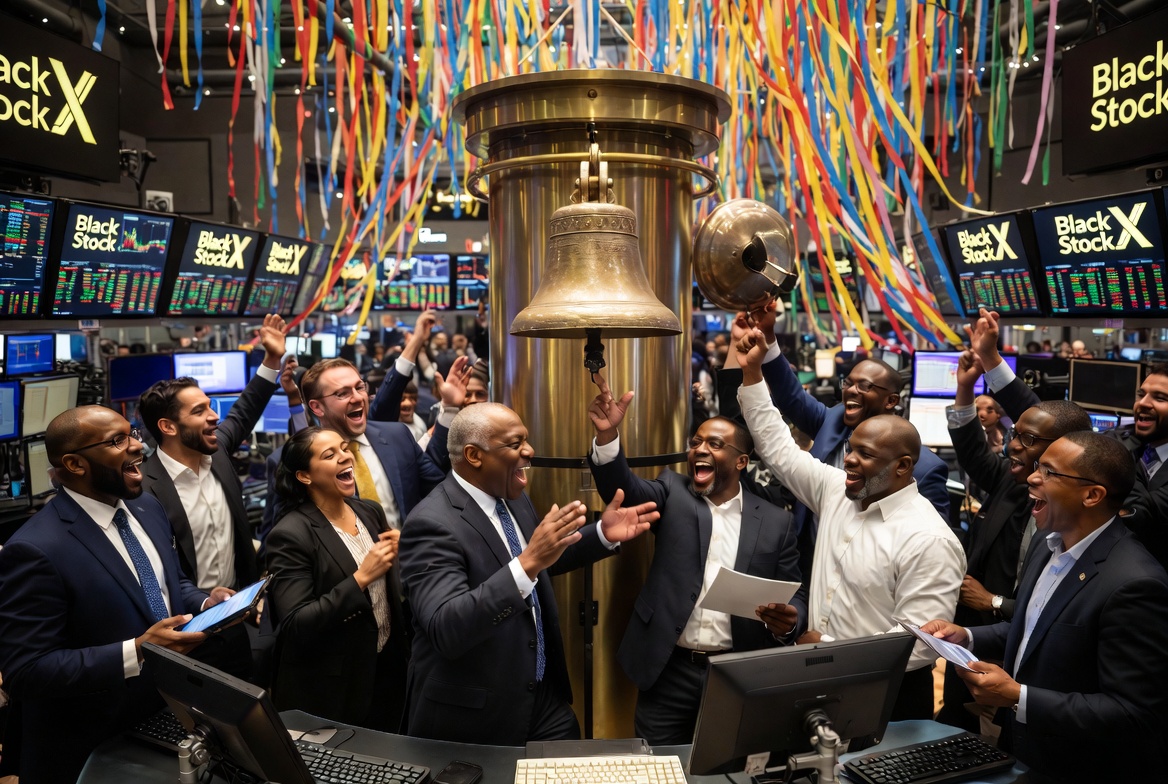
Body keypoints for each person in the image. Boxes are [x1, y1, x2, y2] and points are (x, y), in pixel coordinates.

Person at [735, 327, 965, 720]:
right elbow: (778, 449)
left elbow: (920, 644)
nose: (851, 461)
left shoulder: (929, 539)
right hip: (819, 681)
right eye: (852, 450)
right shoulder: (837, 491)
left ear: (903, 467)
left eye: (866, 454)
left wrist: (825, 650)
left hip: (888, 696)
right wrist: (753, 374)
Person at [398, 403, 660, 745]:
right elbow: (446, 627)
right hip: (475, 713)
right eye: (515, 443)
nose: (530, 450)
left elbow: (541, 560)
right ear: (474, 455)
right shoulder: (431, 524)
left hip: (541, 698)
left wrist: (601, 535)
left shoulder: (512, 497)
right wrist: (527, 563)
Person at [0, 407, 234, 783]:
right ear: (75, 464)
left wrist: (206, 602)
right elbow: (26, 672)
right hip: (92, 746)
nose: (138, 445)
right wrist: (138, 650)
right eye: (117, 441)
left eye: (132, 433)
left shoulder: (145, 506)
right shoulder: (34, 549)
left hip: (163, 718)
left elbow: (168, 583)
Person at [922, 432, 1168, 782]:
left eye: (1050, 472)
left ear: (1092, 495)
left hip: (1079, 768)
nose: (1033, 477)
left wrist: (1018, 696)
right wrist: (967, 637)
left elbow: (1133, 712)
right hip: (1023, 755)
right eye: (1039, 467)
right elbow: (1034, 629)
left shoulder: (1135, 584)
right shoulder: (1046, 543)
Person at [586, 374, 806, 744]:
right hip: (668, 670)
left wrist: (791, 620)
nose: (700, 449)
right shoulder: (673, 492)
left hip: (735, 675)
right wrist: (608, 438)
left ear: (741, 462)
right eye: (696, 442)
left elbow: (794, 592)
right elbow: (622, 490)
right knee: (659, 768)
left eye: (715, 444)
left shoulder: (776, 522)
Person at [723, 302, 950, 581]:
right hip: (810, 562)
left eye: (865, 386)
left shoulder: (925, 467)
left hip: (869, 577)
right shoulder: (834, 421)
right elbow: (789, 400)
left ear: (891, 401)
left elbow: (929, 548)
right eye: (849, 382)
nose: (852, 390)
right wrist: (768, 336)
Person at [939, 350, 1091, 733]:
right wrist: (964, 388)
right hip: (980, 645)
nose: (1011, 447)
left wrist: (993, 601)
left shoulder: (1080, 523)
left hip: (1036, 681)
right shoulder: (1013, 481)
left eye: (1027, 439)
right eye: (1013, 435)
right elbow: (974, 454)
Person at [969, 308, 1168, 570]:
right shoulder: (1123, 439)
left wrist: (1120, 451)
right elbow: (1046, 421)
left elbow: (1143, 513)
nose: (1142, 404)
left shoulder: (1124, 444)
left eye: (1160, 398)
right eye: (1141, 394)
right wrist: (990, 358)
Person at [265, 428, 410, 731]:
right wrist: (360, 578)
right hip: (334, 686)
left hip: (387, 672)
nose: (345, 456)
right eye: (329, 454)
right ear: (305, 476)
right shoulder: (290, 535)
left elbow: (391, 590)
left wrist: (405, 554)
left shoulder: (369, 511)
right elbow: (295, 623)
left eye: (344, 449)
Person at [139, 313, 288, 594]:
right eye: (199, 411)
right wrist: (203, 602)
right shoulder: (144, 489)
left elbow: (245, 410)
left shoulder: (216, 453)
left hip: (241, 604)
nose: (214, 416)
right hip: (189, 621)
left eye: (209, 405)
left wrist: (271, 360)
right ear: (168, 426)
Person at [258, 356, 456, 541]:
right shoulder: (291, 461)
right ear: (317, 407)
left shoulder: (397, 436)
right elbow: (278, 538)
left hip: (409, 563)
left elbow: (439, 490)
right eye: (342, 393)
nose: (357, 398)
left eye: (359, 387)